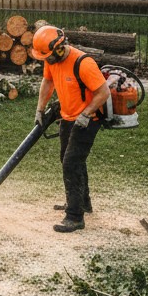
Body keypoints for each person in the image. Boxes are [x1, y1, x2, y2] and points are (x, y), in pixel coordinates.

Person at [32, 25, 110, 233]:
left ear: (60, 48)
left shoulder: (83, 63)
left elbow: (103, 92)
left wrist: (86, 114)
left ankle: (75, 217)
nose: (46, 60)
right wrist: (40, 109)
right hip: (67, 116)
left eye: (48, 56)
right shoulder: (52, 61)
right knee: (69, 159)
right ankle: (83, 202)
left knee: (71, 162)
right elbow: (48, 82)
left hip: (88, 118)